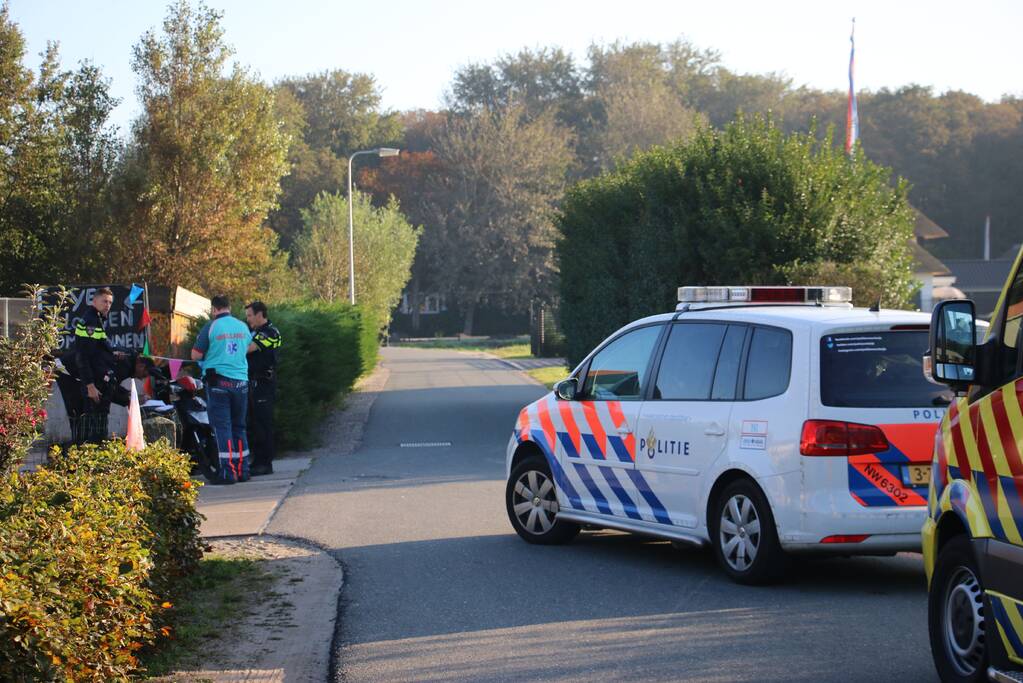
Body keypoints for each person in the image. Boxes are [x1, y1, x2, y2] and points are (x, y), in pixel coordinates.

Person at [192, 295, 251, 484]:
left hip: (219, 383)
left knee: (222, 428)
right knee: (239, 427)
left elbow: (195, 355)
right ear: (229, 307)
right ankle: (243, 469)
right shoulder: (242, 326)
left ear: (214, 309)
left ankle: (228, 472)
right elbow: (248, 348)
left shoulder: (211, 327)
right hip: (241, 382)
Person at [70, 287, 130, 443]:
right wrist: (90, 385)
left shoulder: (98, 319)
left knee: (99, 426)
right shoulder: (91, 321)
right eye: (104, 301)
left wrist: (112, 353)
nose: (107, 305)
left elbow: (98, 349)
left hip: (100, 381)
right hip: (94, 384)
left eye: (110, 302)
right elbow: (82, 357)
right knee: (93, 430)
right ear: (94, 301)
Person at [245, 301, 281, 476]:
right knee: (254, 423)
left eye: (250, 315)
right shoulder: (254, 332)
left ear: (260, 314)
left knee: (263, 424)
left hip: (264, 383)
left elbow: (249, 348)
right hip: (253, 383)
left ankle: (265, 463)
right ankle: (257, 460)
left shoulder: (271, 332)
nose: (248, 319)